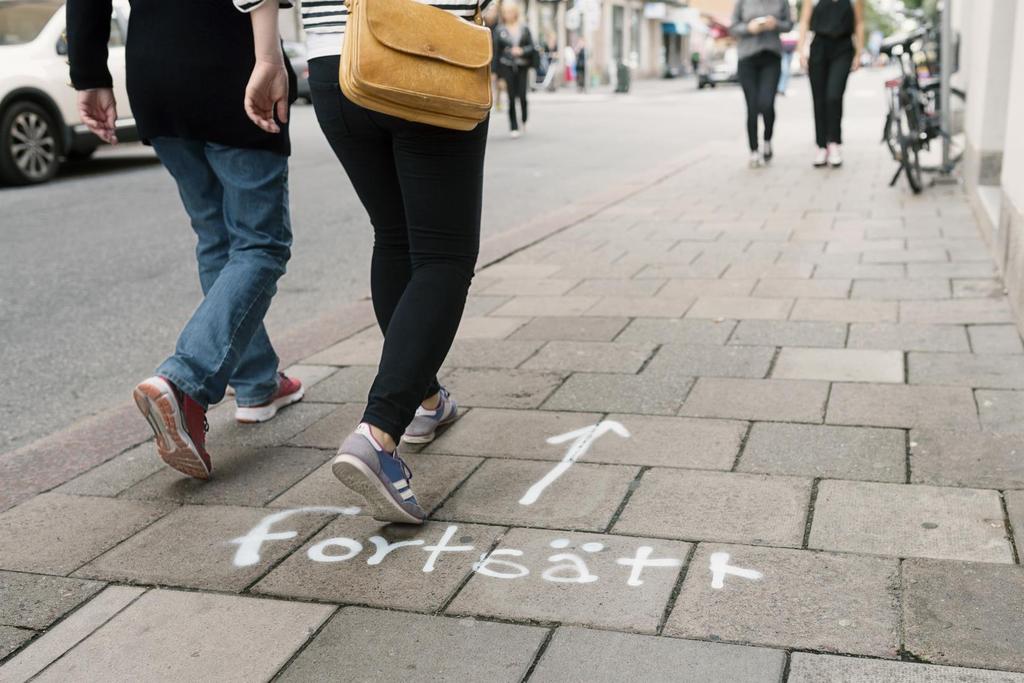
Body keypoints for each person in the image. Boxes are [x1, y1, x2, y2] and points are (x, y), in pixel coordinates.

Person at [235, 0, 490, 525]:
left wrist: (267, 58)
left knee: (395, 237)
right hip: (432, 48)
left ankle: (425, 400)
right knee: (443, 254)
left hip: (336, 63)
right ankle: (378, 434)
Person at [68, 0, 302, 481]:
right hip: (233, 65)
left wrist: (90, 74)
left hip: (156, 74)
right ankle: (184, 380)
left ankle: (256, 382)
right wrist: (271, 59)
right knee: (260, 245)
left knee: (217, 237)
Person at [798, 0, 865, 167]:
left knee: (834, 96)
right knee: (819, 98)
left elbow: (859, 22)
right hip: (819, 47)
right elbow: (804, 21)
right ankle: (821, 145)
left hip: (843, 47)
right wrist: (801, 50)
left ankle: (834, 142)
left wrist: (859, 52)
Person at [731, 0, 793, 168]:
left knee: (766, 103)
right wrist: (748, 28)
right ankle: (753, 151)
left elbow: (789, 25)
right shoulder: (742, 2)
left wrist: (776, 24)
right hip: (747, 59)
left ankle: (767, 140)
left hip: (771, 58)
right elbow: (733, 27)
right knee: (752, 106)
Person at [493, 0, 536, 138]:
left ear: (515, 13)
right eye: (505, 12)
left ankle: (524, 119)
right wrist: (495, 73)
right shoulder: (499, 30)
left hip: (522, 65)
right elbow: (496, 52)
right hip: (506, 65)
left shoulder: (524, 28)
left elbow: (532, 47)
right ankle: (513, 126)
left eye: (510, 12)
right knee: (510, 97)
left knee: (522, 95)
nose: (508, 15)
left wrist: (521, 51)